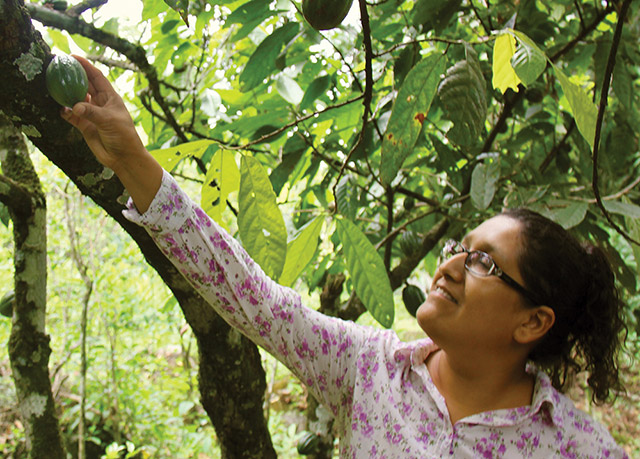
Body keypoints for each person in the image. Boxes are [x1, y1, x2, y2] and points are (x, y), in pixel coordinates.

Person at [62, 55, 629, 458]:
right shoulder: (371, 369)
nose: (450, 263)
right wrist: (134, 160)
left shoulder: (577, 448)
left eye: (484, 262)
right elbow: (255, 301)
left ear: (533, 321)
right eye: (460, 247)